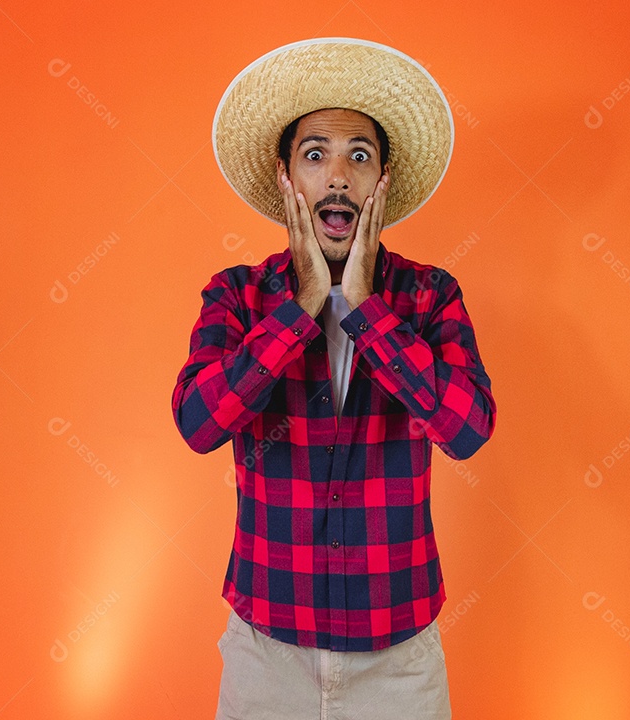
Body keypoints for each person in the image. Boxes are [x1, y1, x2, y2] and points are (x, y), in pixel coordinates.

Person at [172, 37, 497, 720]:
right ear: (287, 179)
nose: (338, 177)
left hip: (399, 660)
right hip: (268, 653)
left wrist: (367, 309)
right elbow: (198, 425)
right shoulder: (237, 296)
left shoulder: (430, 296)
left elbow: (468, 430)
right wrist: (300, 309)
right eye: (315, 155)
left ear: (383, 181)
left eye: (359, 156)